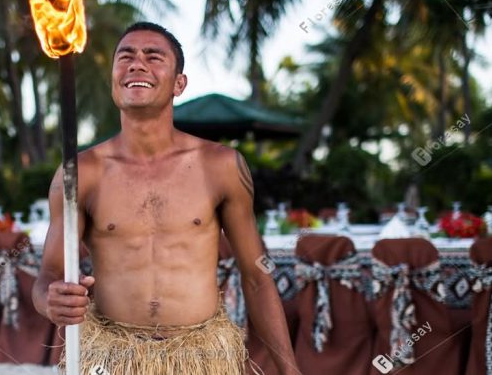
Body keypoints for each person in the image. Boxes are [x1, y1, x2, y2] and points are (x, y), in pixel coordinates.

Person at [32, 22, 298, 374]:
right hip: (113, 359)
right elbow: (48, 274)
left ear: (179, 83)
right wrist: (50, 300)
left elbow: (256, 276)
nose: (136, 64)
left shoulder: (220, 166)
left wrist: (289, 369)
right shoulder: (80, 173)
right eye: (125, 56)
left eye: (153, 56)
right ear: (114, 79)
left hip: (202, 357)